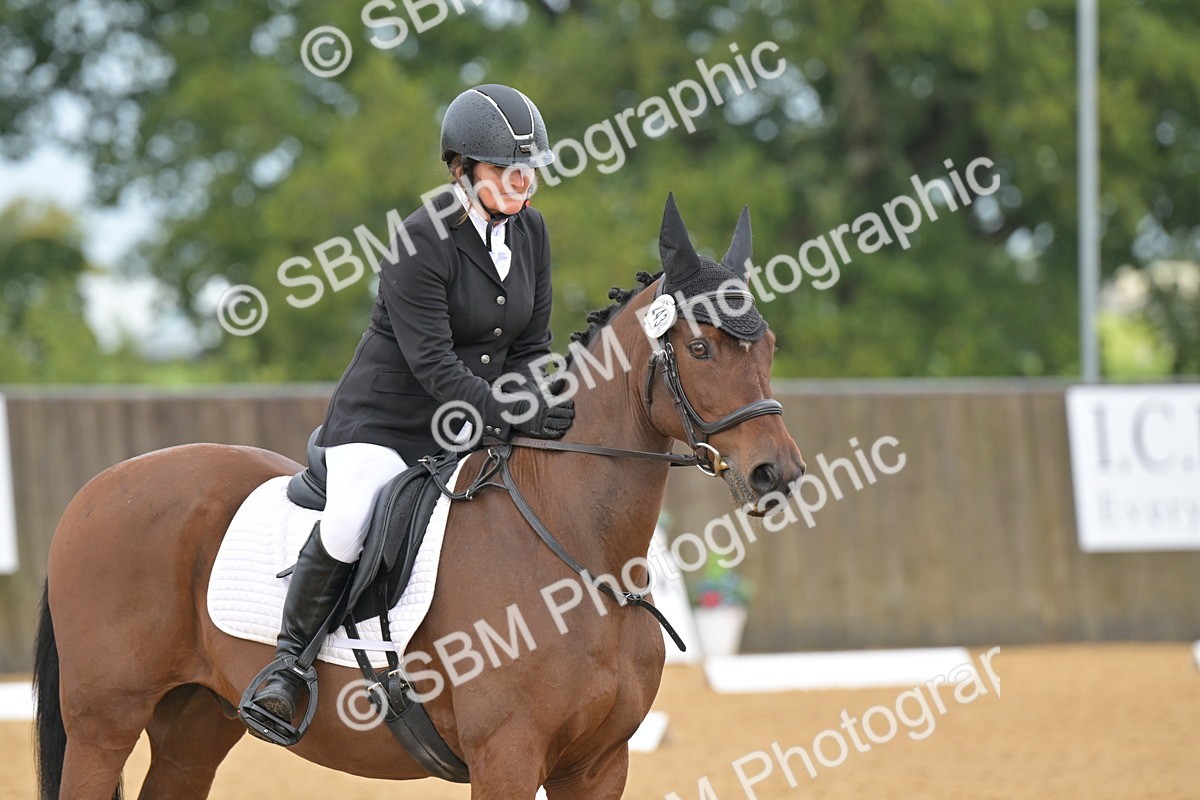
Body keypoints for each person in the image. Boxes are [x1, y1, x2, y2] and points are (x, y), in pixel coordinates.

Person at [242, 84, 575, 733]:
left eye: (529, 168)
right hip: (385, 421)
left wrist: (550, 396)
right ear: (460, 169)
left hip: (468, 419)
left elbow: (531, 345)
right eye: (506, 168)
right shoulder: (419, 239)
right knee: (350, 517)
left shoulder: (531, 231)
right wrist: (509, 414)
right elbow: (435, 366)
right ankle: (289, 666)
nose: (521, 180)